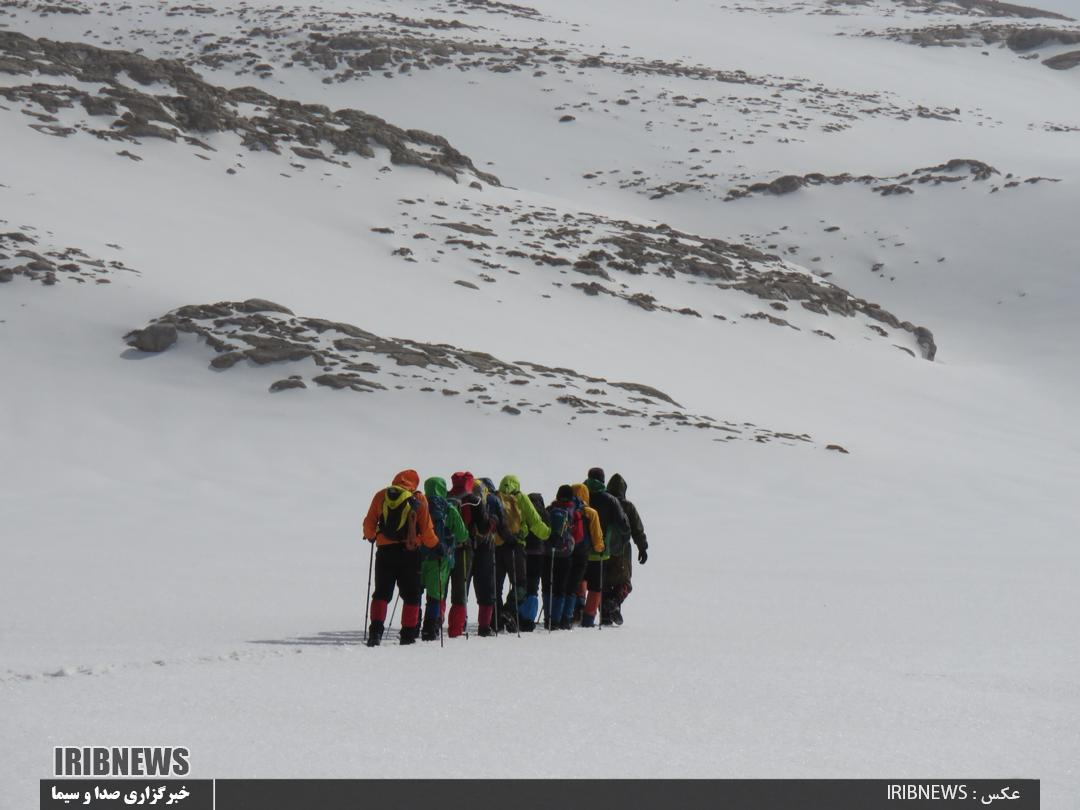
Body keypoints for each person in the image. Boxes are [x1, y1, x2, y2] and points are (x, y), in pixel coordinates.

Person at [363, 469, 438, 646]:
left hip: (385, 551)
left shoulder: (382, 495)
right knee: (412, 595)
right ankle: (408, 635)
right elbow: (427, 530)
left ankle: (375, 633)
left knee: (381, 593)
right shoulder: (418, 498)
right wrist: (436, 546)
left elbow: (369, 524)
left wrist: (372, 536)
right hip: (410, 552)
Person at [494, 475, 550, 633]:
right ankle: (508, 610)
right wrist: (548, 534)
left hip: (496, 546)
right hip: (515, 547)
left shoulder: (495, 497)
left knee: (496, 586)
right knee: (521, 585)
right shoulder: (520, 497)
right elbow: (535, 521)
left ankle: (495, 621)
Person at [420, 476, 468, 641]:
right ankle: (429, 629)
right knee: (436, 595)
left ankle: (412, 627)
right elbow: (463, 535)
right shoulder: (449, 508)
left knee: (415, 594)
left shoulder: (420, 505)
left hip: (419, 557)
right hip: (441, 558)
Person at [582, 467, 630, 627]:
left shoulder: (580, 494)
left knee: (580, 581)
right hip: (600, 551)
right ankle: (588, 620)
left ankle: (573, 614)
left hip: (578, 549)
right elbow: (623, 525)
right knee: (596, 587)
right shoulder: (610, 500)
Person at [603, 473, 647, 626]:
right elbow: (637, 529)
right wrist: (642, 548)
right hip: (622, 552)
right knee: (624, 583)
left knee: (605, 584)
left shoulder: (604, 503)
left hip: (603, 550)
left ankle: (605, 616)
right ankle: (614, 603)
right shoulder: (628, 506)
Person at [541, 485, 584, 630]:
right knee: (561, 588)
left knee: (547, 586)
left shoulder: (550, 509)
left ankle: (548, 618)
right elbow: (578, 536)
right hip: (566, 554)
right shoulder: (575, 513)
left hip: (548, 553)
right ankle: (557, 621)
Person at [446, 471, 484, 638]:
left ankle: (433, 626)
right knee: (460, 590)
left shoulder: (446, 496)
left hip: (444, 548)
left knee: (440, 588)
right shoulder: (474, 500)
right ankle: (455, 629)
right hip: (464, 548)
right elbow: (482, 527)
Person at [564, 483, 603, 629]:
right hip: (585, 552)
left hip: (568, 552)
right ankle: (588, 619)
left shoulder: (567, 509)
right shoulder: (591, 512)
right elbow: (597, 536)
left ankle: (575, 609)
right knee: (594, 586)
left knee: (574, 581)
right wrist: (600, 549)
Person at [520, 492, 551, 632]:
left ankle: (518, 615)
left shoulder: (524, 510)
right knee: (533, 587)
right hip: (539, 555)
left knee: (521, 584)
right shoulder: (545, 513)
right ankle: (529, 618)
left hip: (524, 552)